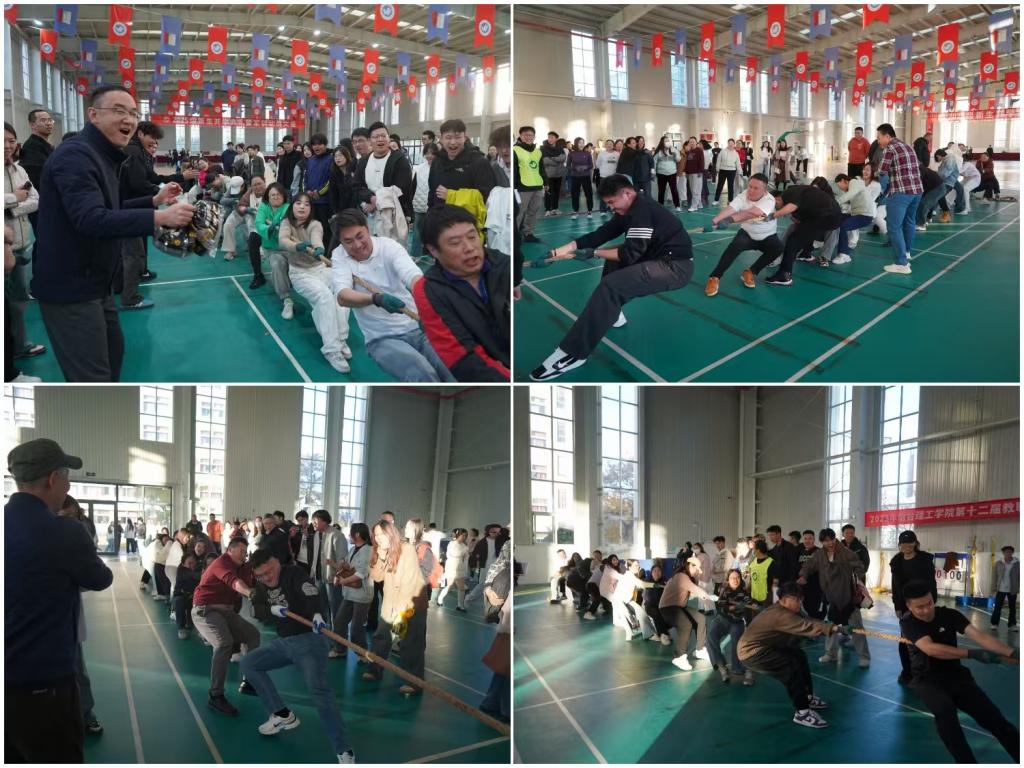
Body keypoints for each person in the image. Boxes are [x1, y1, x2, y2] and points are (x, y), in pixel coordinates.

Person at [30, 88, 194, 381]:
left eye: (133, 113)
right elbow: (91, 218)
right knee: (92, 380)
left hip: (96, 283)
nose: (128, 119)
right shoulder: (75, 155)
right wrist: (159, 217)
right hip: (71, 287)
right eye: (119, 111)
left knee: (113, 357)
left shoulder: (104, 156)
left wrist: (154, 200)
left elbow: (111, 208)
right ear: (93, 115)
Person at [6, 438, 113, 761]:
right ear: (53, 478)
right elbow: (101, 578)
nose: (68, 486)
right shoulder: (64, 531)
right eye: (67, 477)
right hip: (44, 683)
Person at [530, 174, 694, 380]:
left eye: (611, 202)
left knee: (611, 286)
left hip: (675, 267)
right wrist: (556, 252)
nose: (610, 207)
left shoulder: (642, 211)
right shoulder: (628, 208)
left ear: (627, 193)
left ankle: (573, 354)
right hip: (655, 256)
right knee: (612, 262)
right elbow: (601, 234)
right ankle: (613, 313)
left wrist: (594, 253)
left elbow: (629, 254)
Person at [900, 580, 1019, 762]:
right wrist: (971, 654)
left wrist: (1012, 652)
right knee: (946, 714)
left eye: (929, 603)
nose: (927, 610)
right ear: (909, 606)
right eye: (920, 607)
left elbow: (981, 637)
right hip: (928, 681)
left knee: (997, 722)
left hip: (957, 676)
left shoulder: (950, 615)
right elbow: (931, 649)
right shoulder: (908, 623)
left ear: (933, 598)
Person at [332, 207, 455, 381]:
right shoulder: (339, 256)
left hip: (418, 327)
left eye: (360, 236)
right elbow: (343, 297)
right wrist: (375, 299)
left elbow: (413, 277)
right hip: (381, 339)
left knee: (451, 367)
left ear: (367, 228)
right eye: (349, 241)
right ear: (341, 242)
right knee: (422, 372)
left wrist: (429, 308)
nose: (357, 245)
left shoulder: (388, 247)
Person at [413, 204, 510, 381]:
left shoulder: (504, 265)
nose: (470, 247)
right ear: (433, 250)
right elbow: (461, 358)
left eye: (472, 237)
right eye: (455, 243)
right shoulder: (428, 291)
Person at [737, 582, 837, 728]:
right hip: (751, 652)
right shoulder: (780, 615)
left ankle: (807, 697)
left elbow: (807, 620)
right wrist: (831, 628)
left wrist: (832, 626)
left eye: (801, 598)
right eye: (796, 599)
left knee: (799, 655)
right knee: (791, 666)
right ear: (784, 600)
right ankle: (802, 713)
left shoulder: (792, 610)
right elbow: (806, 626)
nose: (800, 602)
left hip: (766, 646)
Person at [278, 192, 352, 373]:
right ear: (292, 206)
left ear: (311, 209)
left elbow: (317, 238)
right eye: (298, 203)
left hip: (320, 268)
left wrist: (318, 248)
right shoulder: (286, 223)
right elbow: (283, 241)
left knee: (342, 291)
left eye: (307, 204)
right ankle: (332, 350)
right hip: (300, 273)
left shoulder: (315, 224)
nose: (302, 207)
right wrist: (296, 246)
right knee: (324, 297)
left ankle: (341, 339)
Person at [191, 537, 261, 715]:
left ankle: (249, 681)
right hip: (205, 610)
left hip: (227, 612)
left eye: (246, 552)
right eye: (241, 551)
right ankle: (215, 696)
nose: (244, 555)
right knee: (224, 643)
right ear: (230, 550)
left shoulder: (243, 567)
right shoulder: (221, 563)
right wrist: (250, 593)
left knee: (253, 635)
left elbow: (250, 583)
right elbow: (235, 582)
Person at [362, 519, 429, 696]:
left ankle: (414, 682)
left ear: (391, 533)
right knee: (381, 637)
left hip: (412, 602)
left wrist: (401, 615)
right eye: (376, 535)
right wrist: (380, 556)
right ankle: (375, 669)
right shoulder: (380, 550)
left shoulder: (406, 549)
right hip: (391, 600)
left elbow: (409, 583)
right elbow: (377, 577)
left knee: (411, 643)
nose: (378, 538)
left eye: (382, 534)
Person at [57, 495, 104, 735]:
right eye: (67, 516)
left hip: (68, 625)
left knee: (78, 673)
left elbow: (96, 579)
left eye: (75, 517)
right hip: (36, 629)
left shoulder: (75, 541)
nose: (72, 522)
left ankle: (86, 715)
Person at [4, 122, 46, 363]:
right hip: (3, 247)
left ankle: (20, 344)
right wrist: (15, 198)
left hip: (20, 245)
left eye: (11, 141)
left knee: (18, 300)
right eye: (3, 141)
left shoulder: (19, 170)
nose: (7, 146)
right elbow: (21, 198)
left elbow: (35, 200)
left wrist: (11, 207)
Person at [799, 528, 870, 667]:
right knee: (830, 627)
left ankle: (864, 656)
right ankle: (831, 654)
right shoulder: (819, 554)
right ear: (822, 542)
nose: (829, 543)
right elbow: (809, 565)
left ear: (834, 538)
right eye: (825, 541)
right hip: (830, 597)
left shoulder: (846, 552)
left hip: (848, 595)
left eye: (831, 539)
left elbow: (860, 567)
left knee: (857, 627)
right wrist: (803, 575)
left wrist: (856, 577)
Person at [703, 173, 781, 296]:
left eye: (756, 188)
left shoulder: (769, 200)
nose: (751, 190)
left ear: (764, 190)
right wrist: (714, 221)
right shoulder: (743, 195)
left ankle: (750, 272)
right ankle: (714, 277)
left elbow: (751, 213)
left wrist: (729, 220)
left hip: (767, 235)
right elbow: (731, 208)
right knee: (732, 250)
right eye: (750, 186)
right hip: (747, 234)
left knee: (777, 249)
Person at [352, 122, 414, 244]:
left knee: (393, 249)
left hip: (394, 216)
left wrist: (377, 202)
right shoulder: (364, 161)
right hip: (370, 215)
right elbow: (356, 186)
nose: (380, 139)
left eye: (383, 136)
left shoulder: (399, 160)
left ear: (388, 138)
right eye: (376, 137)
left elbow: (402, 189)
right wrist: (370, 198)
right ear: (370, 141)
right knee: (373, 248)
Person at [889, 530, 936, 684]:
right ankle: (907, 671)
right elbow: (895, 586)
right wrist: (897, 605)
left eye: (910, 543)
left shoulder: (925, 560)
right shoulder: (896, 562)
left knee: (926, 638)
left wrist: (931, 603)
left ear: (915, 543)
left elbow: (932, 583)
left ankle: (926, 672)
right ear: (899, 545)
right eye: (903, 543)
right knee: (905, 641)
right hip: (905, 606)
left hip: (923, 605)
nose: (907, 546)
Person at [875, 123, 923, 275]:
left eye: (879, 137)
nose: (878, 141)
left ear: (887, 136)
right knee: (909, 222)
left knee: (894, 227)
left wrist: (877, 174)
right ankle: (907, 252)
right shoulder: (908, 146)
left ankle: (901, 264)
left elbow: (882, 170)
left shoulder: (889, 148)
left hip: (902, 192)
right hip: (917, 191)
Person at [659, 557, 717, 670]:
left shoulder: (687, 578)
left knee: (701, 618)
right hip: (667, 607)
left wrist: (705, 595)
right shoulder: (681, 576)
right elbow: (695, 590)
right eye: (697, 569)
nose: (698, 572)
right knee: (686, 624)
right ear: (690, 566)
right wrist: (707, 596)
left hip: (679, 606)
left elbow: (693, 592)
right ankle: (679, 657)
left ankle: (700, 649)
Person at [251, 182, 295, 313]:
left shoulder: (288, 208)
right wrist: (269, 228)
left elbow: (289, 225)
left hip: (290, 247)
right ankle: (286, 298)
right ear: (268, 197)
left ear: (283, 196)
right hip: (273, 249)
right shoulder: (263, 207)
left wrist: (279, 225)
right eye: (272, 195)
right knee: (277, 263)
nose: (276, 197)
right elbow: (259, 223)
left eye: (278, 194)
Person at [330, 521, 372, 659]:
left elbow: (361, 574)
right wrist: (340, 568)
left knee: (356, 628)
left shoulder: (368, 551)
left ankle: (363, 654)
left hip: (362, 595)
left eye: (351, 533)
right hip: (349, 594)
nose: (349, 536)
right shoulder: (353, 549)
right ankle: (340, 649)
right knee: (339, 622)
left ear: (357, 534)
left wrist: (343, 581)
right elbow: (347, 565)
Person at [707, 569, 754, 684]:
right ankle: (721, 664)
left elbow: (750, 603)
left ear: (740, 579)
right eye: (733, 578)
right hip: (722, 620)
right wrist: (733, 607)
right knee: (711, 634)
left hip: (737, 622)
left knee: (737, 641)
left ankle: (739, 668)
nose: (735, 580)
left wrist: (754, 606)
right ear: (728, 580)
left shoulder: (744, 593)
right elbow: (721, 606)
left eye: (737, 577)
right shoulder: (725, 591)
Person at [17, 109, 54, 235]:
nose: (48, 123)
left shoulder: (45, 146)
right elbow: (39, 179)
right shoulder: (32, 147)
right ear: (32, 125)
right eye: (43, 120)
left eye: (50, 120)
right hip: (41, 205)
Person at [409, 142, 437, 256]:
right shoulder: (419, 168)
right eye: (427, 153)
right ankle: (415, 255)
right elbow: (413, 186)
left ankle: (432, 255)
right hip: (419, 205)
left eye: (432, 153)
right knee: (417, 232)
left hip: (435, 206)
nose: (429, 156)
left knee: (434, 232)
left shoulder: (441, 168)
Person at [438, 528, 470, 611]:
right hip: (451, 567)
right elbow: (454, 554)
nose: (464, 537)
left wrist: (466, 570)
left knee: (462, 588)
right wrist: (464, 551)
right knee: (449, 586)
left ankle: (460, 605)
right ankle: (440, 599)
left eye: (466, 536)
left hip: (460, 568)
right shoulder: (451, 543)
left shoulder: (464, 546)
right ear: (458, 535)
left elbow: (466, 558)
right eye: (463, 535)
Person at [797, 530, 826, 619]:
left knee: (815, 612)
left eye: (810, 538)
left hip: (816, 588)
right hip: (802, 588)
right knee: (804, 612)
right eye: (805, 539)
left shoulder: (819, 552)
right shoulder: (800, 552)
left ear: (814, 539)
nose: (807, 541)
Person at [172, 553, 201, 639]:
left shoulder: (200, 567)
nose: (192, 565)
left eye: (193, 562)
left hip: (195, 596)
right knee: (178, 601)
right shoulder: (181, 570)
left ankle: (199, 627)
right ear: (183, 564)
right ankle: (181, 628)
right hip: (182, 595)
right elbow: (195, 576)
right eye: (189, 563)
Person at [566, 137, 595, 218]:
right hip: (575, 177)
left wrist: (585, 167)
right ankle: (575, 211)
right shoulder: (571, 154)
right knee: (575, 194)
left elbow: (591, 165)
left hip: (586, 177)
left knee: (588, 194)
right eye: (579, 142)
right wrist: (575, 168)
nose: (581, 144)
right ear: (576, 143)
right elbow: (568, 166)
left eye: (582, 142)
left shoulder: (587, 153)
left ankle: (590, 211)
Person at [992, 545, 1019, 631]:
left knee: (1012, 608)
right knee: (997, 607)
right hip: (1000, 589)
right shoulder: (998, 563)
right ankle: (994, 624)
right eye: (1006, 552)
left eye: (1010, 552)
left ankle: (1012, 625)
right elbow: (994, 576)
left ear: (1012, 553)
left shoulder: (1017, 564)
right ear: (1003, 553)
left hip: (1012, 589)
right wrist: (993, 588)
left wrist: (1018, 587)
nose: (1008, 553)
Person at [541, 132, 568, 216]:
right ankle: (548, 209)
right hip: (548, 175)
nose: (550, 139)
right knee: (548, 192)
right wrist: (557, 161)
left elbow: (563, 158)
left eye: (552, 137)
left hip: (558, 174)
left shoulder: (560, 148)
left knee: (557, 192)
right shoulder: (543, 148)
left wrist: (552, 158)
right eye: (549, 137)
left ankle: (555, 208)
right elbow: (545, 160)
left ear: (556, 139)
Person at [653, 137, 681, 210]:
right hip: (661, 173)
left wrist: (675, 155)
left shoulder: (673, 149)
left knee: (674, 190)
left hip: (672, 173)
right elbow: (654, 162)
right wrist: (653, 171)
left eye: (668, 141)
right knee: (661, 191)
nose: (667, 142)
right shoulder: (658, 151)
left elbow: (678, 160)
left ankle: (677, 205)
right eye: (665, 141)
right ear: (662, 142)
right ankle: (660, 205)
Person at [714, 138, 740, 204]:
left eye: (732, 143)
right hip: (723, 170)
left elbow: (738, 163)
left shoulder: (736, 153)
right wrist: (717, 169)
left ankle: (730, 200)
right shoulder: (722, 151)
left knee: (730, 186)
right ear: (727, 144)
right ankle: (716, 200)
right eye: (729, 143)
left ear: (734, 144)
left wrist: (739, 171)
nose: (730, 145)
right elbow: (718, 160)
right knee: (720, 185)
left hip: (732, 171)